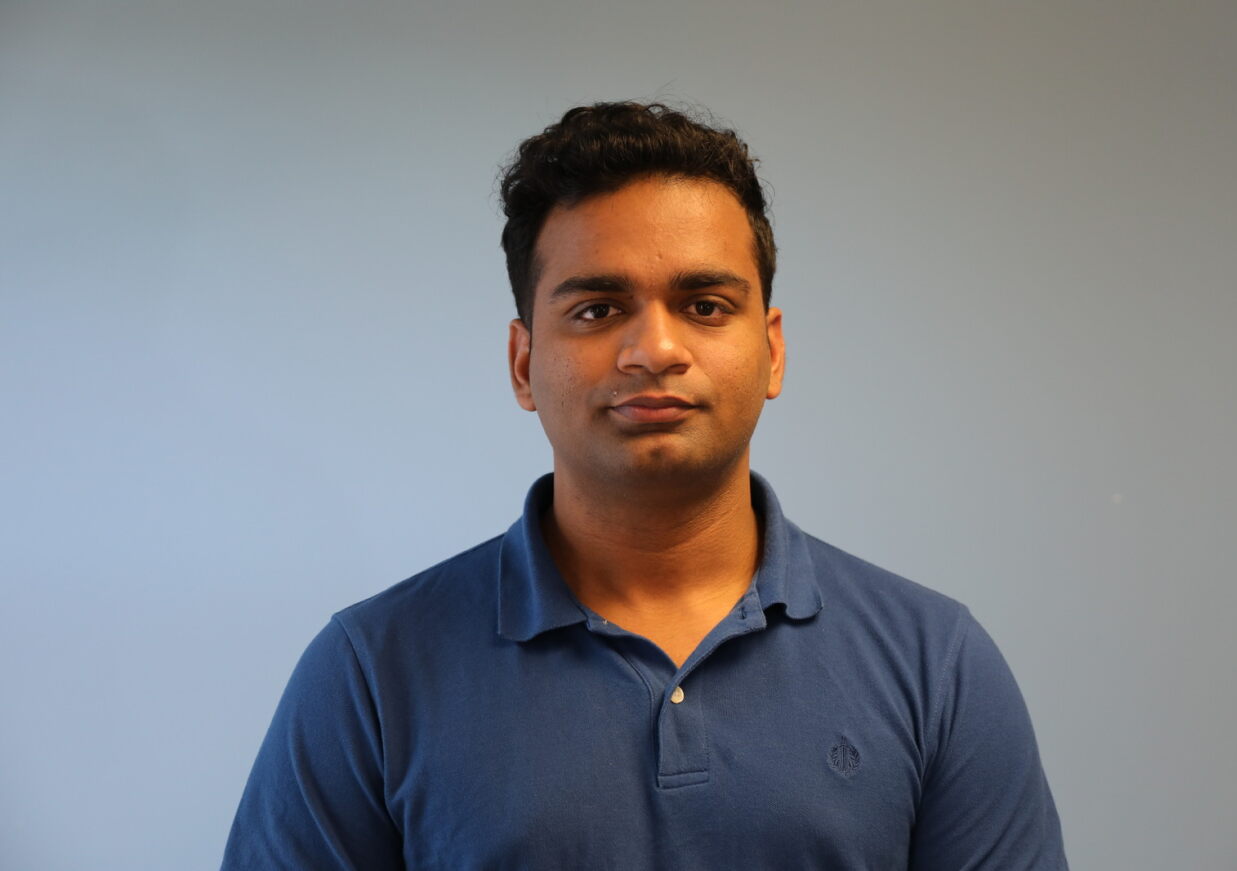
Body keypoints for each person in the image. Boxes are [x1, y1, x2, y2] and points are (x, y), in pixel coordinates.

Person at [221, 101, 1068, 870]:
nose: (653, 349)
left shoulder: (935, 661)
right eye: (596, 309)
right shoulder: (371, 672)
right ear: (524, 363)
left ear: (771, 350)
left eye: (703, 304)